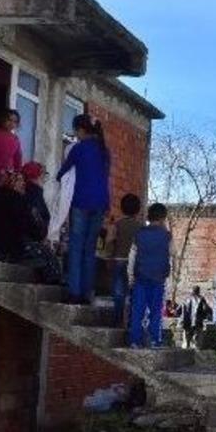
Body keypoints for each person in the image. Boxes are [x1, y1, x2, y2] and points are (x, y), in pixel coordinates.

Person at [56, 114, 110, 305]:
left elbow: (63, 171)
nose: (75, 135)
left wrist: (57, 177)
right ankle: (87, 293)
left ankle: (74, 292)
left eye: (75, 131)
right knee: (90, 250)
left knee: (76, 247)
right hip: (100, 203)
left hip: (81, 202)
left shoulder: (78, 149)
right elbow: (105, 178)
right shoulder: (104, 150)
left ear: (80, 130)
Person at [0, 170, 61, 283]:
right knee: (45, 254)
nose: (23, 184)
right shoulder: (16, 200)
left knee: (39, 253)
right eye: (20, 181)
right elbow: (33, 230)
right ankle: (54, 281)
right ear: (13, 183)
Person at [127, 203, 171, 349]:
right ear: (163, 218)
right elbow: (173, 256)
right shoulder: (167, 236)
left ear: (148, 216)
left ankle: (135, 340)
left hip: (140, 277)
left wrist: (130, 276)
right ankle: (154, 339)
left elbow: (132, 256)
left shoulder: (139, 234)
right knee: (156, 311)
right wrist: (170, 281)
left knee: (137, 310)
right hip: (159, 278)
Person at [105, 194, 144, 328]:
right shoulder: (141, 228)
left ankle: (117, 319)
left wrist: (108, 257)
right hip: (136, 263)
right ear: (138, 209)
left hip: (119, 261)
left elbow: (109, 241)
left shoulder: (117, 225)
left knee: (118, 293)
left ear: (122, 208)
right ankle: (133, 322)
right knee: (135, 293)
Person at [21, 161, 50, 236]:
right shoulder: (34, 194)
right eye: (42, 175)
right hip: (30, 238)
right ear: (34, 178)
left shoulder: (24, 191)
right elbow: (36, 223)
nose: (44, 179)